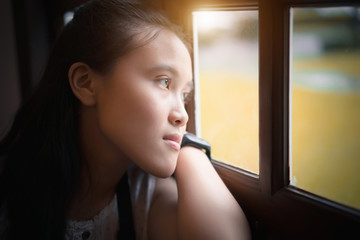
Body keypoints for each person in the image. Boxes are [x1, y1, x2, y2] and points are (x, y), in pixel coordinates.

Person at [0, 0, 251, 239]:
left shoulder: (146, 198)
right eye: (164, 82)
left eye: (185, 95)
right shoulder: (9, 190)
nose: (183, 114)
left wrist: (191, 153)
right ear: (85, 83)